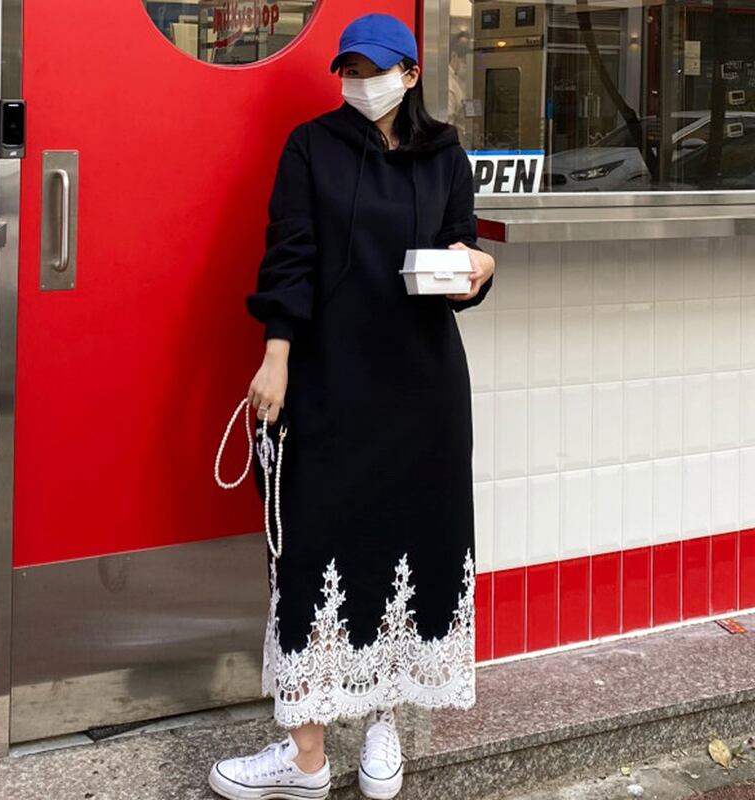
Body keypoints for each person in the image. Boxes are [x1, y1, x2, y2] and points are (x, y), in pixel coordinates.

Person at [208, 13, 495, 800]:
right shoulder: (312, 147)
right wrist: (276, 356)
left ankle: (382, 726)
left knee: (407, 551)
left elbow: (462, 252)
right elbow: (289, 254)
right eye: (349, 70)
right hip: (330, 383)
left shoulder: (445, 155)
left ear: (410, 75)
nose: (360, 83)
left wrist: (479, 269)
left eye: (374, 70)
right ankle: (305, 756)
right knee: (312, 553)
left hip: (424, 392)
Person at [448, 35, 469, 143]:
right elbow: (448, 122)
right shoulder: (449, 84)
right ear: (454, 56)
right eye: (465, 62)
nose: (467, 66)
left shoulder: (460, 79)